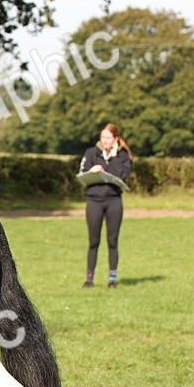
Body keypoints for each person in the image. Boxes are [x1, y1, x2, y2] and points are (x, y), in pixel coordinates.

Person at [79, 122, 132, 288]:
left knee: (112, 241)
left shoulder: (123, 156)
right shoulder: (91, 153)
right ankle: (89, 279)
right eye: (103, 137)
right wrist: (92, 171)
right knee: (93, 241)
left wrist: (114, 157)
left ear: (115, 139)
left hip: (113, 201)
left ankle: (112, 279)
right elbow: (82, 174)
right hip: (94, 201)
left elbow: (121, 175)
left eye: (108, 137)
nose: (105, 140)